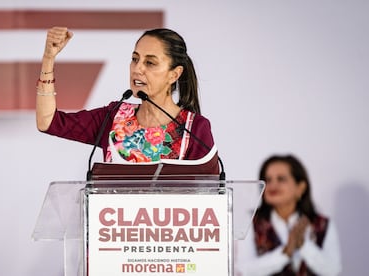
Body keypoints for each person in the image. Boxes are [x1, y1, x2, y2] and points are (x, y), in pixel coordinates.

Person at [36, 27, 218, 168]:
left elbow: (208, 197)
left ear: (174, 74)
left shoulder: (194, 129)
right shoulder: (113, 117)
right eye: (135, 59)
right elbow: (48, 121)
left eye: (150, 63)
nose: (137, 69)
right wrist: (48, 58)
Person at [236, 154, 341, 276]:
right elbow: (243, 270)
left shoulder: (323, 224)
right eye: (268, 180)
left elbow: (333, 270)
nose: (272, 185)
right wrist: (286, 252)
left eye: (281, 179)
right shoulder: (252, 220)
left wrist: (303, 245)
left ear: (300, 188)